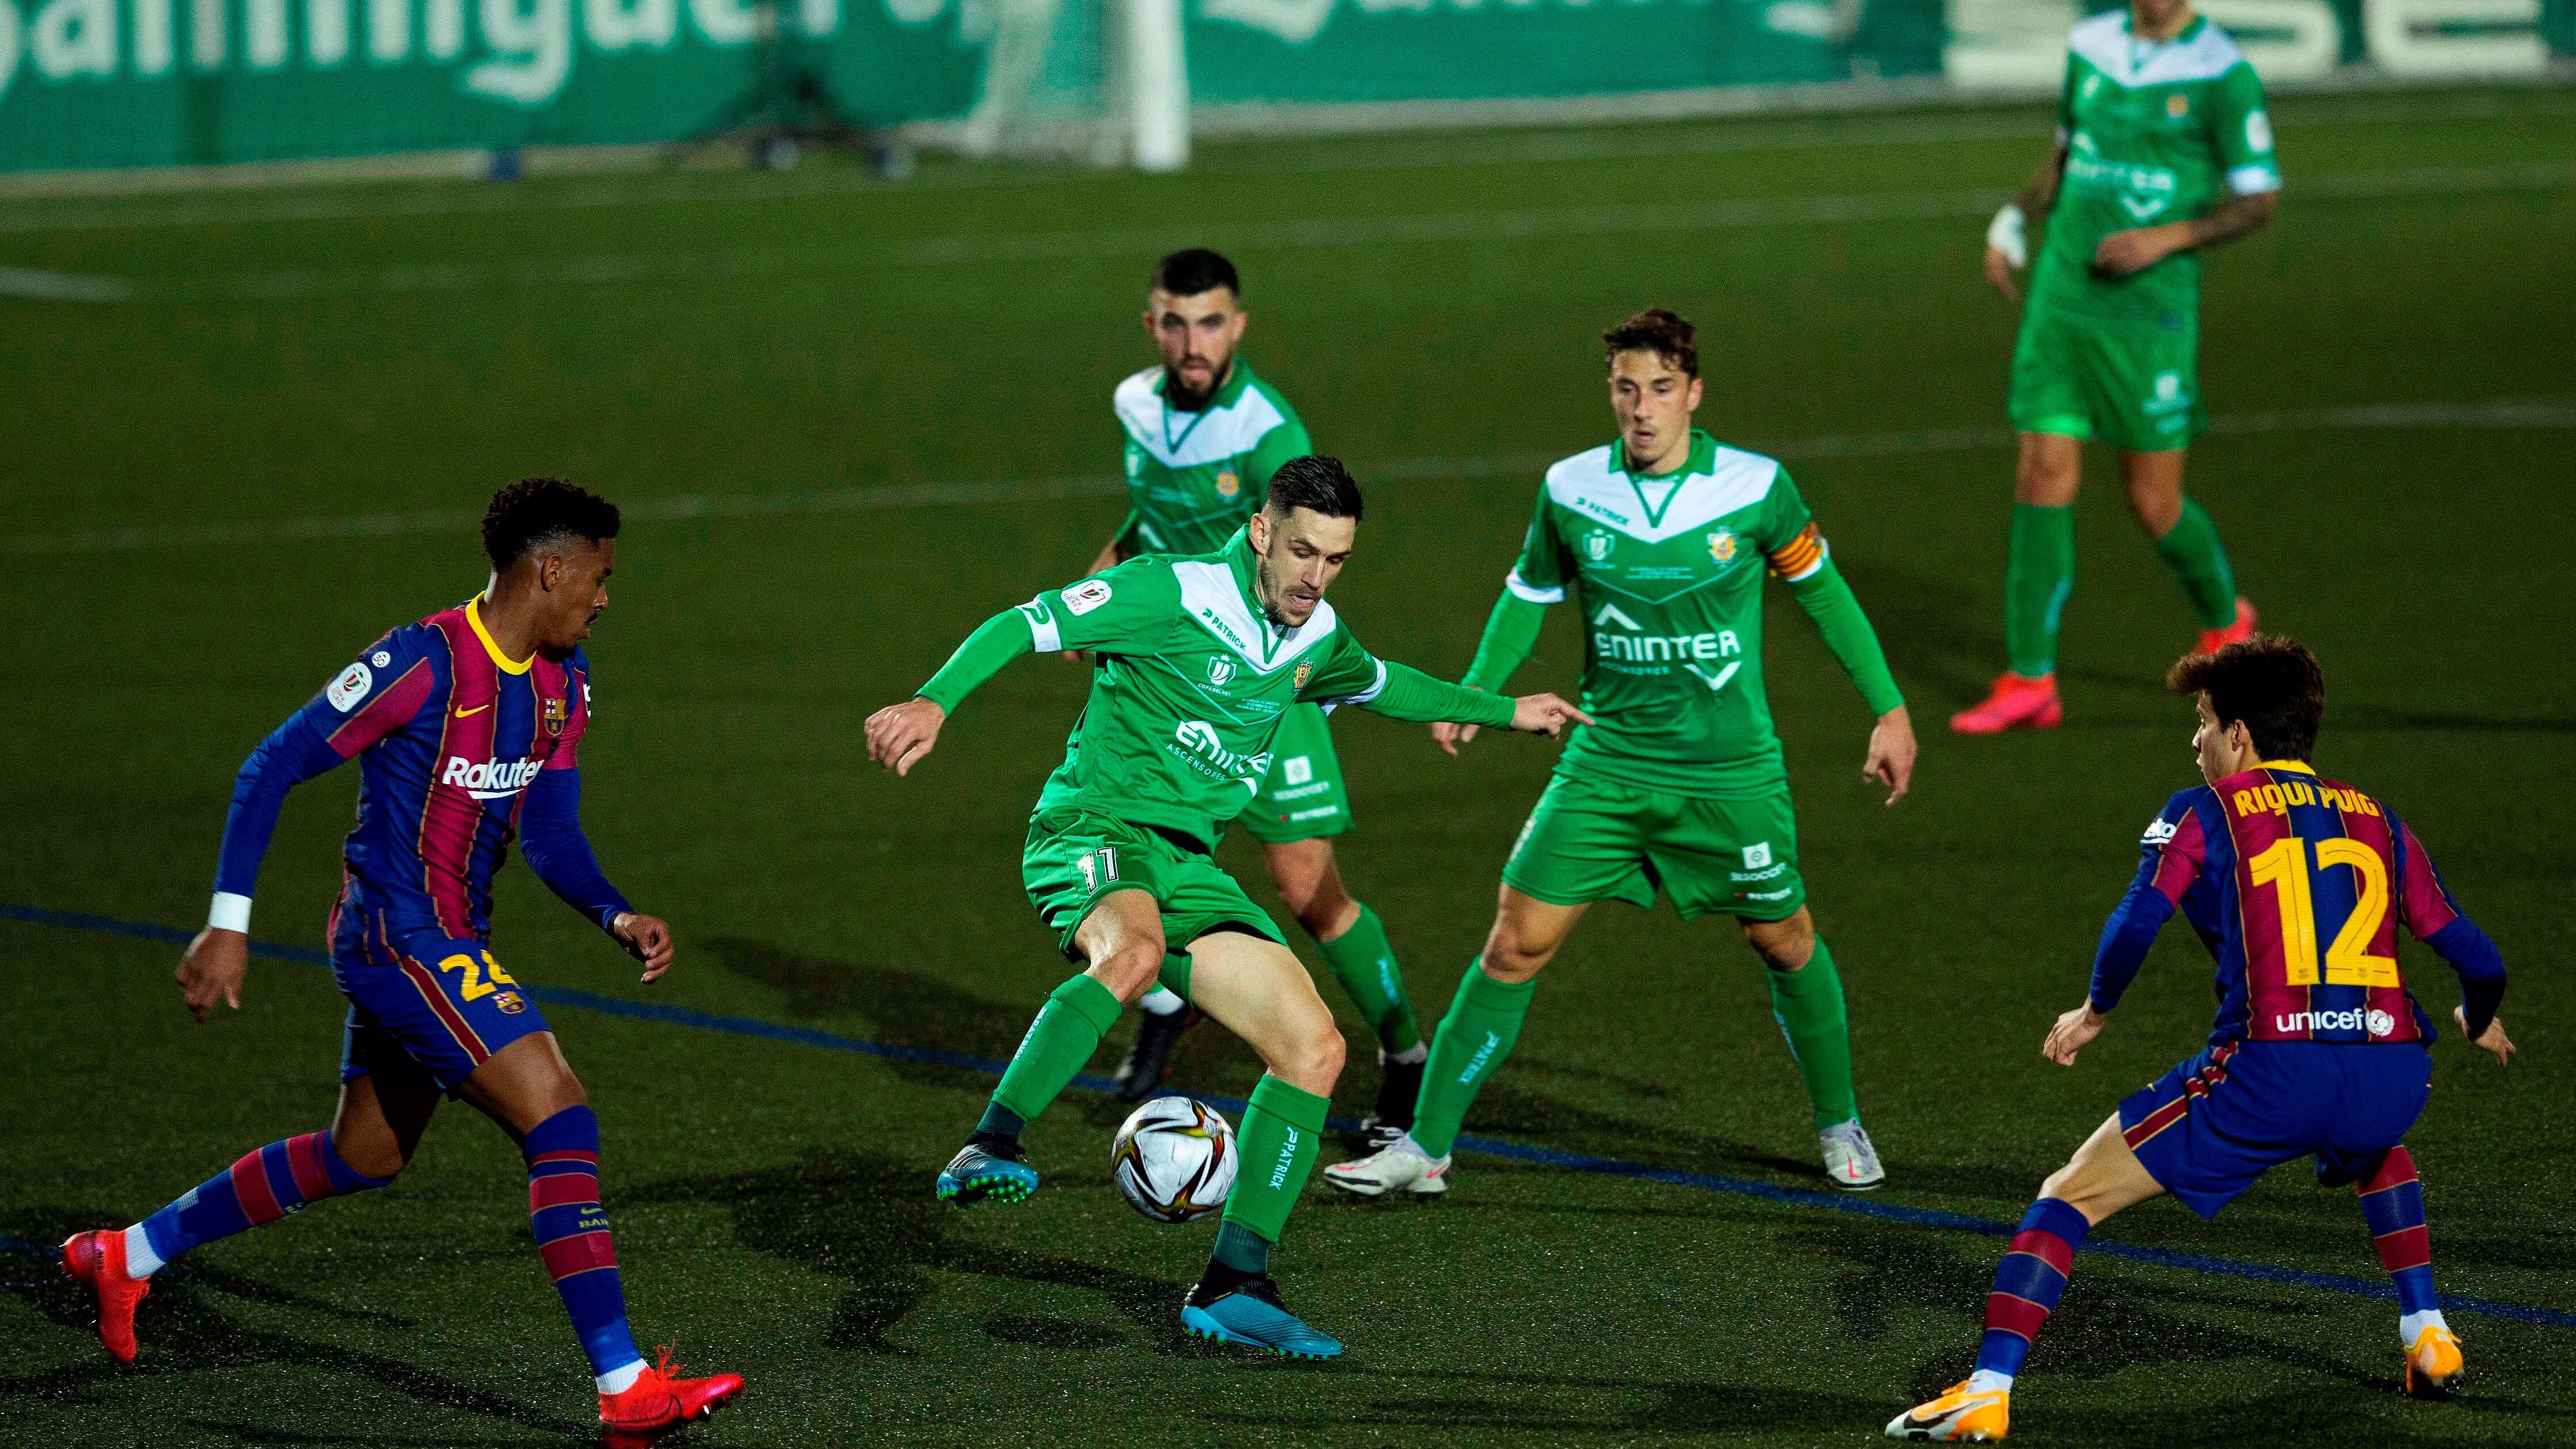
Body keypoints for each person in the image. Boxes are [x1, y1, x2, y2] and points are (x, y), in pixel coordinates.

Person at [864, 456, 1589, 1358]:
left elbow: (1388, 684)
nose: (1312, 576)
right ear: (1259, 529)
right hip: (1091, 829)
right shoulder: (1168, 589)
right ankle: (994, 1141)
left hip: (1188, 868)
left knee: (1314, 1047)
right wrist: (933, 699)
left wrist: (1505, 708)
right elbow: (1027, 621)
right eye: (1298, 551)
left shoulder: (1314, 637)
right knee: (1128, 955)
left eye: (1333, 559)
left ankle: (1234, 1281)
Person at [60, 480, 742, 1436]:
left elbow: (547, 827)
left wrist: (614, 912)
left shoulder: (564, 684)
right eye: (597, 575)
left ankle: (124, 1255)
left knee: (363, 1154)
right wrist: (228, 922)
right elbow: (271, 765)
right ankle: (625, 1386)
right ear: (547, 569)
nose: (603, 596)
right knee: (560, 1113)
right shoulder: (421, 664)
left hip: (447, 942)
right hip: (397, 936)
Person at [1326, 309, 1915, 1200]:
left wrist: (1888, 709)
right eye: (1625, 389)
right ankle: (1427, 1145)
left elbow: (1824, 595)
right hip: (1602, 765)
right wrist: (1479, 694)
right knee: (1513, 940)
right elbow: (1526, 595)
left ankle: (1838, 1120)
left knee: (1782, 938)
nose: (1641, 409)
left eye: (1660, 389)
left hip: (1727, 774)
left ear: (1694, 392)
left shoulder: (1755, 489)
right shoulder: (1569, 489)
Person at [1891, 636, 2511, 1442]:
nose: (2195, 740)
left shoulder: (2200, 809)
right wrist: (2474, 1013)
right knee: (2371, 1145)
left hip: (2270, 1074)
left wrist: (2094, 1011)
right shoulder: (2378, 821)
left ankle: (1984, 1389)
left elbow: (2135, 919)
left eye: (2203, 721)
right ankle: (2426, 1330)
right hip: (2392, 1072)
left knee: (2066, 1194)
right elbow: (2475, 953)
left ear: (2241, 734)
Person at [1086, 248, 1432, 1146]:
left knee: (1306, 888)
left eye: (1210, 323)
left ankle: (1405, 1055)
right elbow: (1151, 514)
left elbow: (1309, 564)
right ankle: (1167, 996)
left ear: (1237, 326)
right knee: (1139, 842)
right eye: (1174, 321)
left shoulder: (1268, 431)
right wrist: (1109, 569)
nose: (1191, 342)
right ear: (1151, 323)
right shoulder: (1134, 404)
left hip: (1262, 684)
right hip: (1169, 675)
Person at [1952, 0, 2278, 735]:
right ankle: (2030, 679)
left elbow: (2258, 199)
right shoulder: (2093, 44)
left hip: (2148, 316)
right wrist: (2015, 216)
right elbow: (2069, 153)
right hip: (2064, 298)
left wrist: (2167, 238)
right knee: (2040, 469)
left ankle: (2226, 624)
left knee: (2152, 500)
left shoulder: (2222, 72)